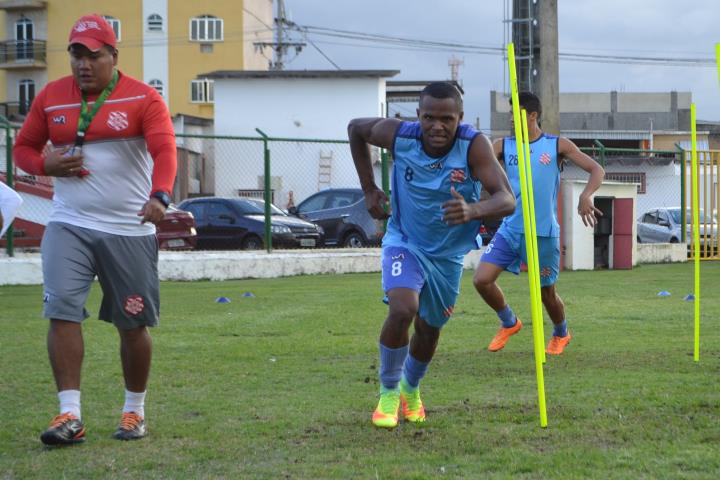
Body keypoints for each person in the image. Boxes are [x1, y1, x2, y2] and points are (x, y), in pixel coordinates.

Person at [13, 14, 177, 445]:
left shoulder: (144, 99)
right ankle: (69, 414)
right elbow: (24, 149)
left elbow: (164, 150)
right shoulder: (50, 97)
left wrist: (160, 195)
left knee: (133, 324)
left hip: (129, 228)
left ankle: (133, 412)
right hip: (69, 223)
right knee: (62, 308)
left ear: (113, 56)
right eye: (76, 55)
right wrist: (44, 165)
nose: (83, 64)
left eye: (93, 55)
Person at [348, 82, 516, 428]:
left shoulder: (474, 145)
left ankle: (411, 388)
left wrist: (473, 210)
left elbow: (507, 199)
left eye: (446, 119)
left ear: (460, 118)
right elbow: (356, 129)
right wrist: (369, 188)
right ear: (418, 115)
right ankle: (389, 393)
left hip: (447, 256)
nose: (437, 126)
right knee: (402, 309)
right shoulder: (401, 137)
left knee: (429, 329)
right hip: (405, 240)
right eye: (429, 117)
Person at [473, 91, 605, 355]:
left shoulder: (558, 145)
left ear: (533, 115)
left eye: (516, 113)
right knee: (481, 280)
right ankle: (509, 322)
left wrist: (586, 195)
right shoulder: (502, 146)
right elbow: (474, 164)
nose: (511, 118)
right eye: (510, 113)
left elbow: (596, 169)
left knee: (547, 295)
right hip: (510, 229)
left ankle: (561, 333)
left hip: (543, 234)